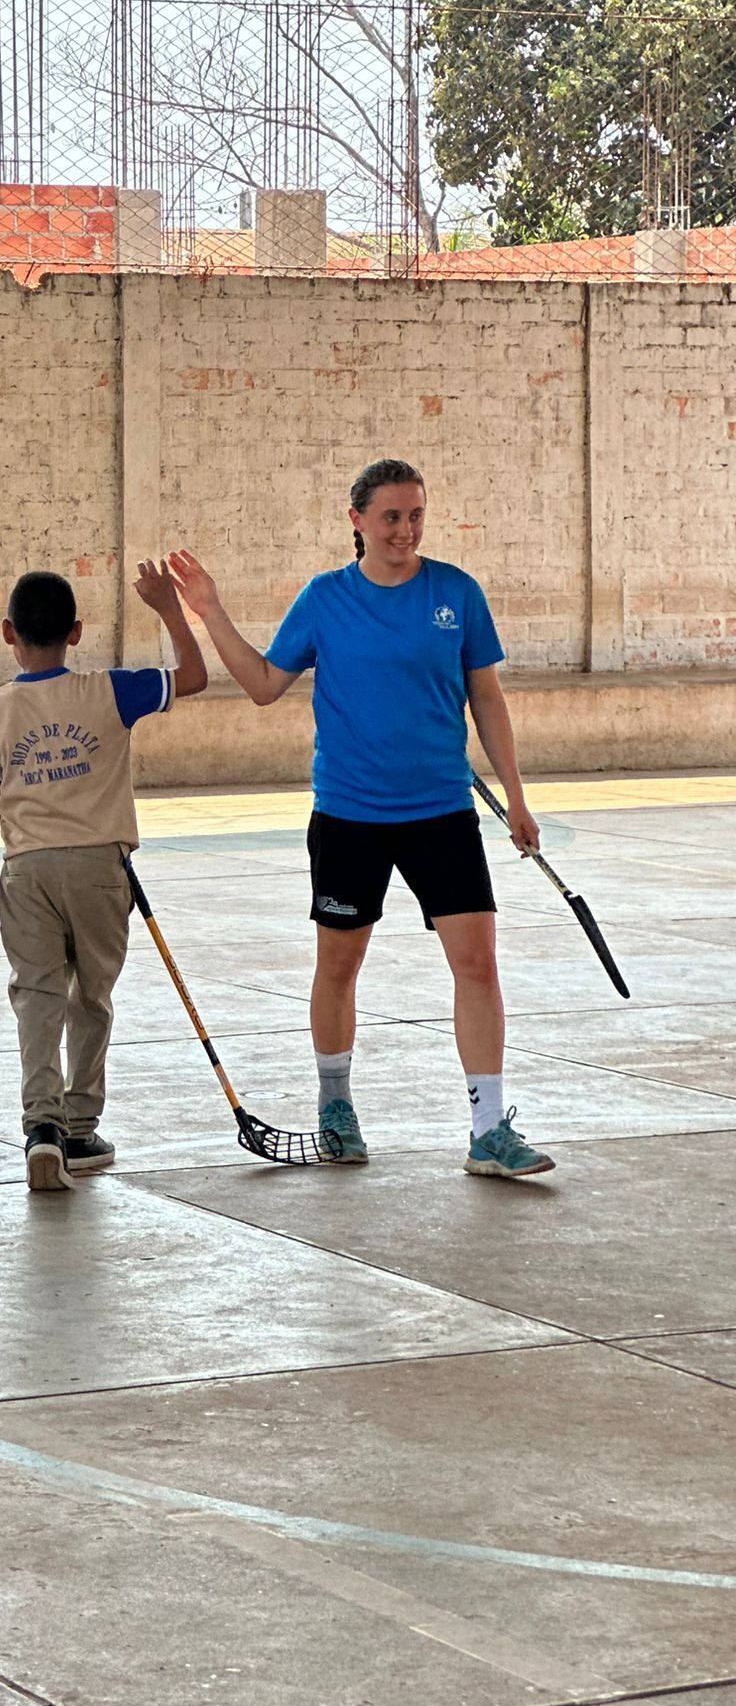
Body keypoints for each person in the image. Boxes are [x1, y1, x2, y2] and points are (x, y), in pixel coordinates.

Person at [168, 459, 555, 1178]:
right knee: (338, 967)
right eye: (390, 517)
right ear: (357, 522)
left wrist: (518, 798)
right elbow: (261, 686)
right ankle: (336, 1111)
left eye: (415, 516)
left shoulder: (456, 593)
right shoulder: (324, 600)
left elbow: (488, 700)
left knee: (477, 965)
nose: (405, 530)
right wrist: (208, 611)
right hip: (349, 814)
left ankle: (487, 1131)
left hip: (442, 812)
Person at [0, 562, 207, 1191]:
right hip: (101, 868)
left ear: (7, 633)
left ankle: (40, 1128)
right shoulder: (111, 690)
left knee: (37, 995)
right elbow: (194, 676)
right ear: (76, 632)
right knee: (92, 997)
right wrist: (167, 608)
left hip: (26, 870)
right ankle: (80, 1126)